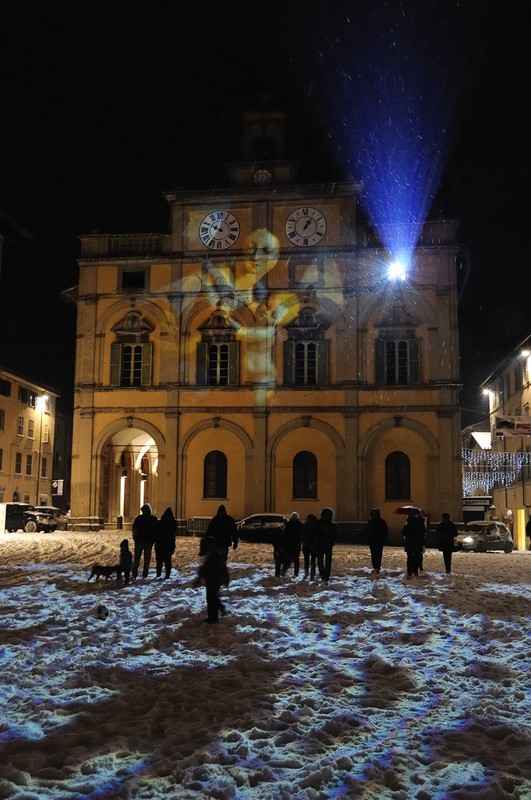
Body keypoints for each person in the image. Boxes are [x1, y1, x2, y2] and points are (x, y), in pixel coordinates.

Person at [194, 535, 230, 624]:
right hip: (213, 580)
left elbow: (206, 569)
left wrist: (199, 578)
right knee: (212, 598)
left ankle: (213, 617)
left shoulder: (214, 557)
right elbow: (223, 568)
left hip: (214, 581)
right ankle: (217, 611)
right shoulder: (212, 555)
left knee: (211, 599)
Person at [132, 503, 158, 579]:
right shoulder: (151, 519)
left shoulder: (140, 518)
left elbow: (155, 531)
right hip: (142, 541)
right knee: (139, 558)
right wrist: (135, 538)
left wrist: (136, 538)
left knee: (144, 559)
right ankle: (136, 573)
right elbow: (135, 529)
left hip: (145, 542)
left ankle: (142, 573)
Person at [315, 507, 337, 584]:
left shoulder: (332, 525)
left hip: (328, 544)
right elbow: (315, 533)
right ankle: (322, 573)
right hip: (320, 544)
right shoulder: (318, 523)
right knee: (320, 561)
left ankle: (326, 576)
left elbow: (335, 534)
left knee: (327, 561)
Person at [155, 507, 177, 579]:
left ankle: (165, 575)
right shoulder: (171, 524)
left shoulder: (163, 523)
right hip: (163, 545)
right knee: (162, 561)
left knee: (165, 561)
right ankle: (160, 574)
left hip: (165, 545)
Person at [402, 513, 425, 578]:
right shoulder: (407, 526)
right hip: (410, 543)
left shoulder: (417, 526)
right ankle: (410, 570)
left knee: (415, 558)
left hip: (415, 543)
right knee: (410, 558)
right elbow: (403, 533)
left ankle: (414, 570)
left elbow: (420, 534)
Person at [365, 508, 388, 573]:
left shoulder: (381, 522)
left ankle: (377, 566)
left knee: (378, 554)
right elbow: (367, 531)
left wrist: (383, 539)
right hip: (372, 540)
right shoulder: (371, 522)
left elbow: (385, 531)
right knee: (374, 554)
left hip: (379, 540)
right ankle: (375, 566)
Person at [281, 512, 303, 577]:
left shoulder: (292, 524)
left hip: (294, 544)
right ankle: (287, 571)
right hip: (292, 544)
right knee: (291, 558)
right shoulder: (296, 524)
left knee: (293, 559)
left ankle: (293, 572)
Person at [301, 513, 318, 580]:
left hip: (310, 545)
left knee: (310, 561)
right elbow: (303, 535)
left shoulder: (307, 526)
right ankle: (309, 574)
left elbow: (303, 535)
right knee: (309, 561)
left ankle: (310, 574)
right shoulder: (312, 526)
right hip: (308, 545)